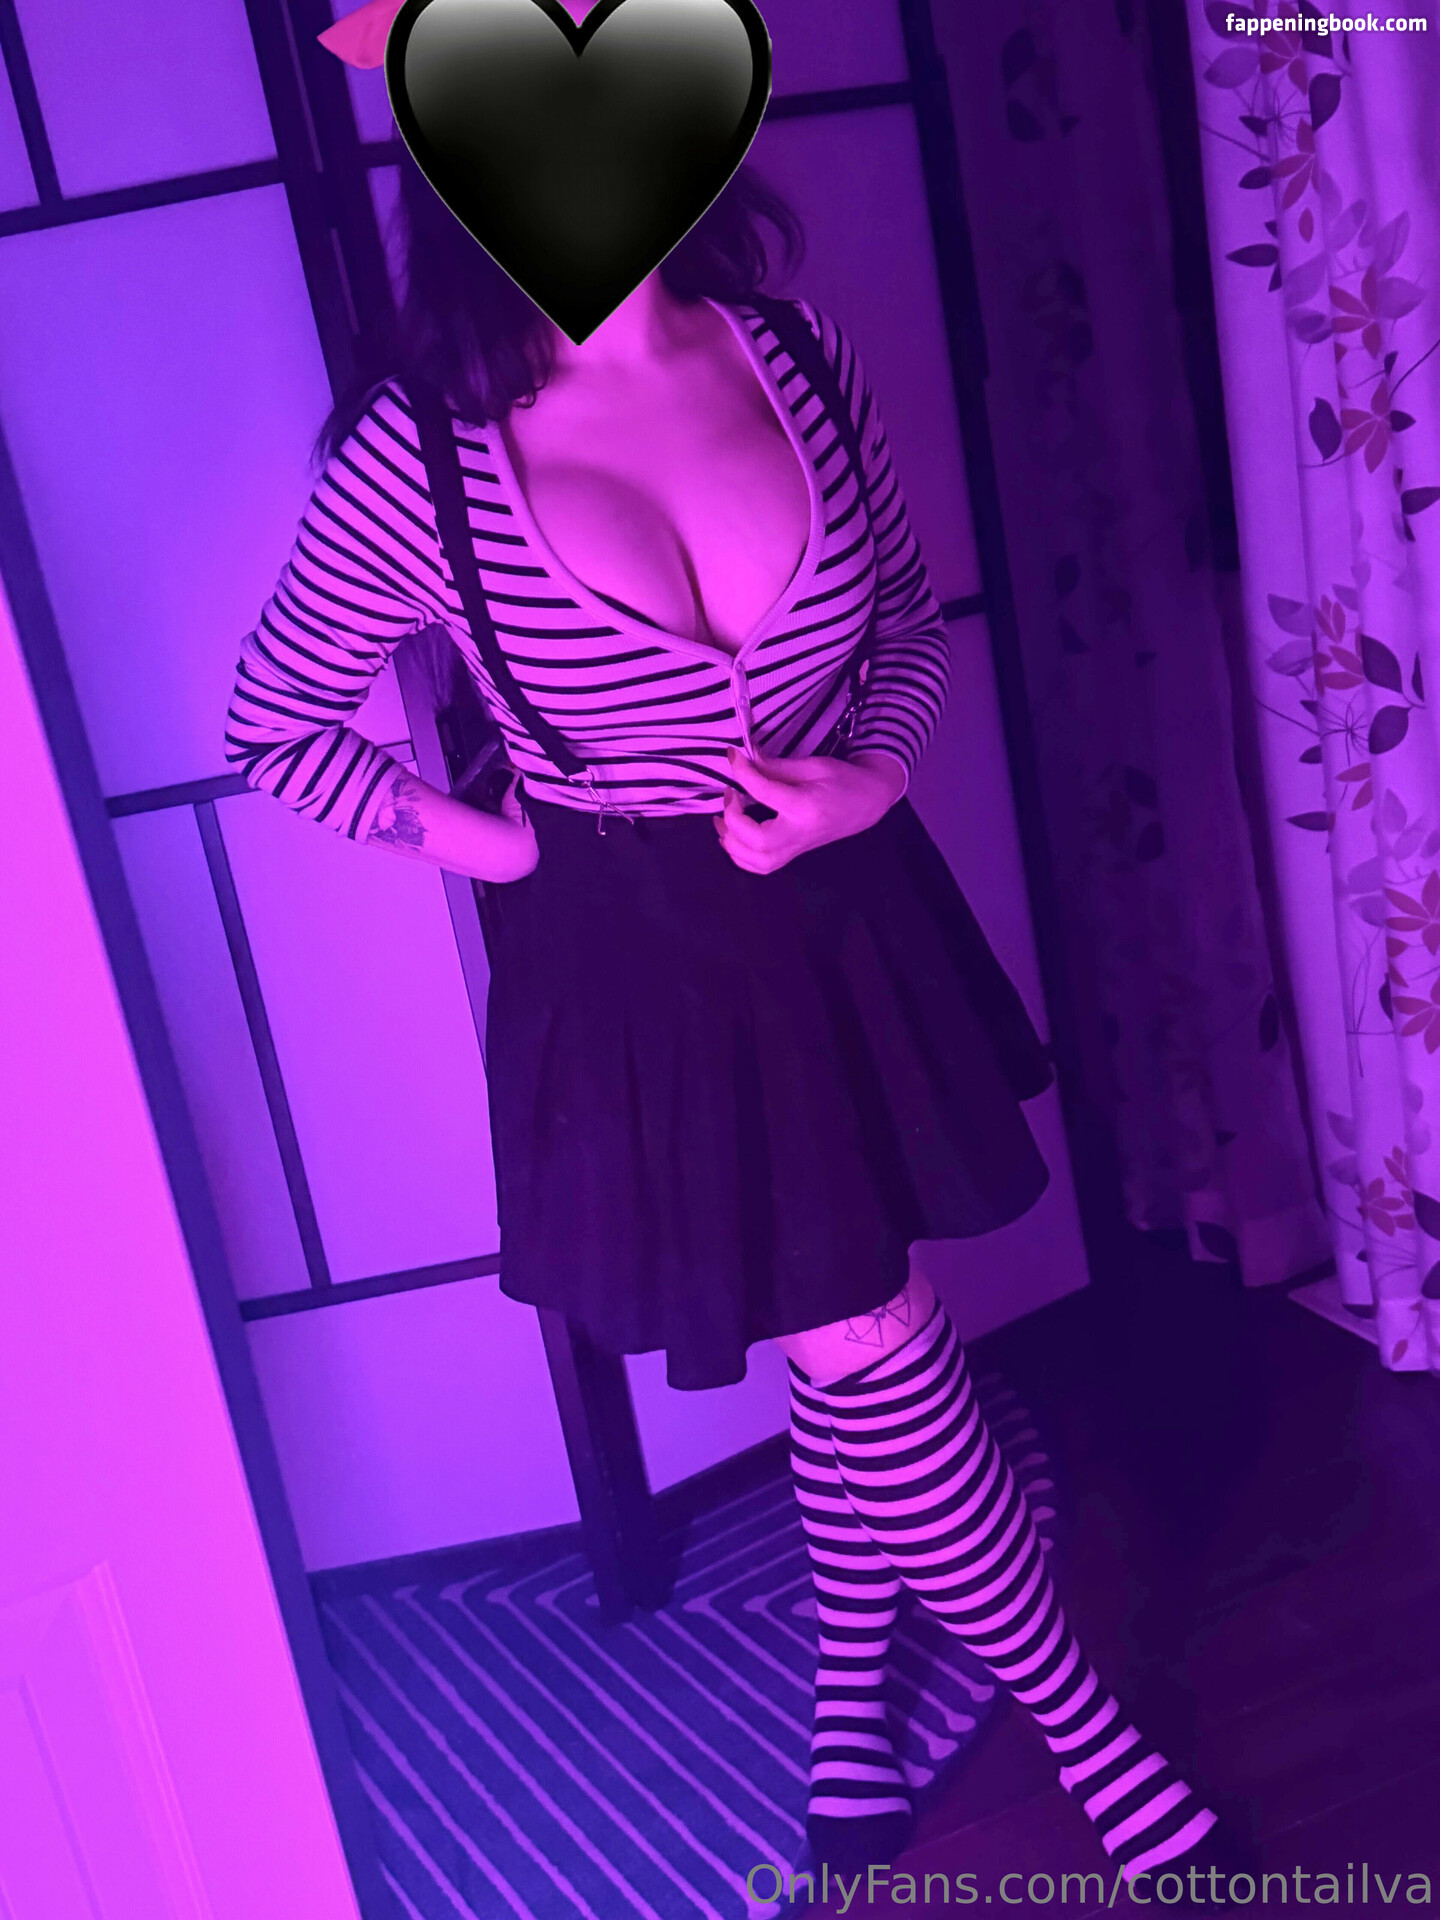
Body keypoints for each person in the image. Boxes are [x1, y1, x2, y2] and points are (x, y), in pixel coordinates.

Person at [224, 123, 1242, 1899]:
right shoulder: (421, 452)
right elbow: (277, 728)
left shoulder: (794, 352)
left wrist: (873, 774)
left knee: (845, 1326)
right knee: (867, 1333)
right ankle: (1091, 1733)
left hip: (847, 912)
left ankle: (851, 1690)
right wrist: (503, 845)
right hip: (644, 971)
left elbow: (906, 622)